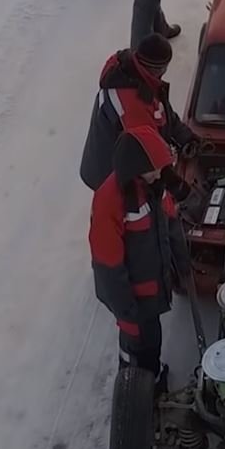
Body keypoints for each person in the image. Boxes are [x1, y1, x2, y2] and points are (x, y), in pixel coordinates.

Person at [90, 125, 190, 391]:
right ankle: (133, 394)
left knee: (152, 340)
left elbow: (171, 227)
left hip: (153, 293)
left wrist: (184, 268)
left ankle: (154, 381)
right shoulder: (110, 201)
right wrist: (127, 316)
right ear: (136, 165)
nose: (159, 173)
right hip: (132, 301)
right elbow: (108, 267)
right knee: (135, 351)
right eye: (154, 168)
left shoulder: (154, 187)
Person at [79, 33, 199, 207]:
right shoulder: (132, 102)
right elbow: (146, 154)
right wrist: (176, 185)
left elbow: (162, 111)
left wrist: (185, 136)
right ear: (158, 68)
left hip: (116, 159)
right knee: (126, 218)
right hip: (109, 174)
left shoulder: (133, 69)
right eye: (163, 69)